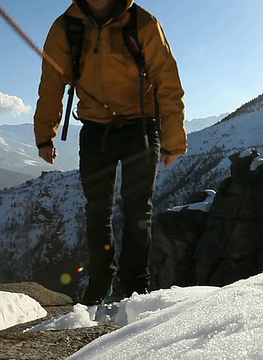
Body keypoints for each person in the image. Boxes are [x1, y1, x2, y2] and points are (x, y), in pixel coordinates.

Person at [33, 0, 186, 306]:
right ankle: (101, 281)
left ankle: (134, 286)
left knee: (137, 209)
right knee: (98, 210)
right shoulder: (66, 27)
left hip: (140, 129)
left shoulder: (142, 22)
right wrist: (44, 136)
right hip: (94, 132)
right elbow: (52, 82)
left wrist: (173, 139)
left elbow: (167, 81)